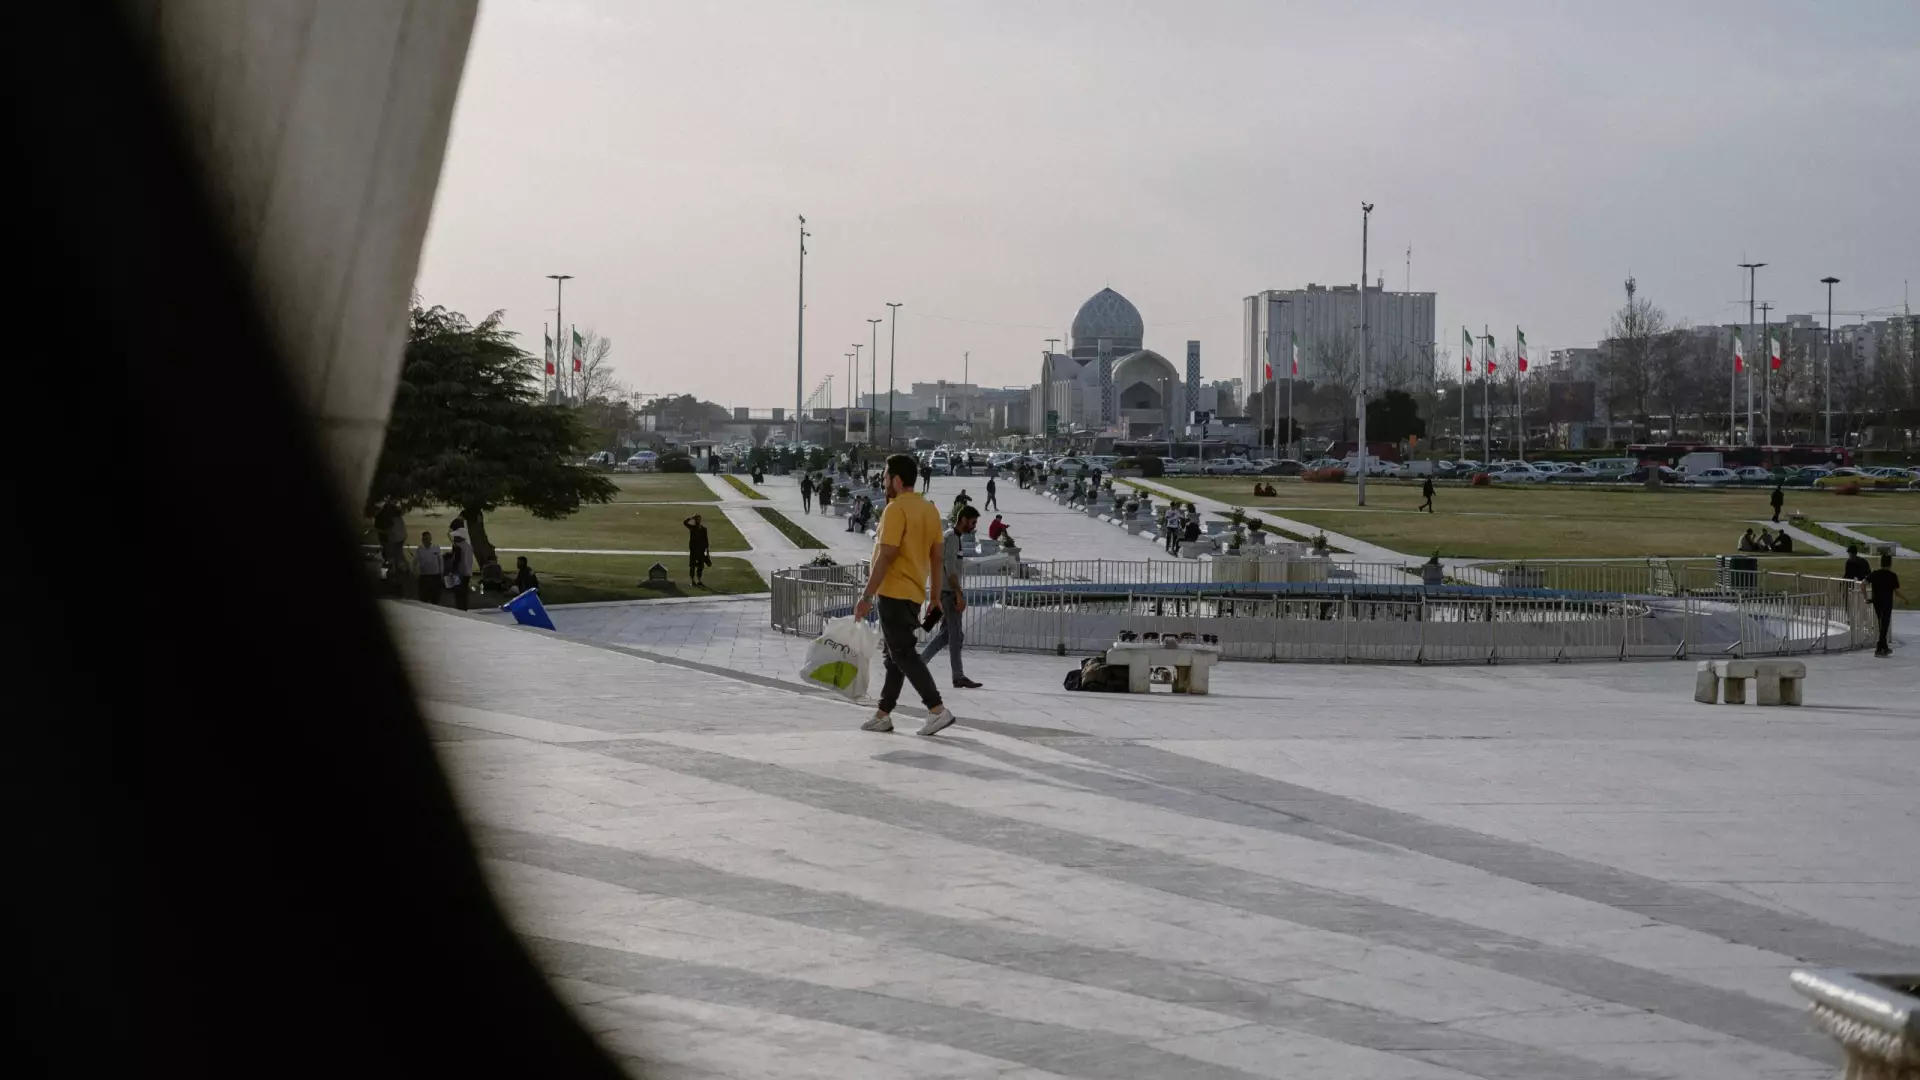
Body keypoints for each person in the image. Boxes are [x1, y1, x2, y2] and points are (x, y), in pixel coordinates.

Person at [853, 453, 959, 736]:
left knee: (903, 653)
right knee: (894, 656)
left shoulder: (895, 509)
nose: (883, 481)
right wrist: (934, 597)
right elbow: (937, 557)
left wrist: (866, 597)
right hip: (914, 593)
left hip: (893, 592)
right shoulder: (929, 510)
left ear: (897, 480)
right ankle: (883, 714)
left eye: (886, 477)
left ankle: (936, 709)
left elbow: (887, 554)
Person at [921, 505, 984, 689]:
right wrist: (958, 593)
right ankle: (958, 676)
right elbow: (949, 567)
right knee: (956, 636)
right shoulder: (952, 538)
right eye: (972, 522)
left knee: (946, 635)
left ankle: (919, 663)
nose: (974, 526)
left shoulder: (953, 537)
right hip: (949, 593)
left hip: (947, 592)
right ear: (963, 519)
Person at [1865, 552, 1903, 657]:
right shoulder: (1892, 576)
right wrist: (1905, 599)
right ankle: (1879, 649)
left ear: (1881, 563)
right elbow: (1897, 592)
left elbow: (1862, 585)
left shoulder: (1875, 574)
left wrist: (1866, 598)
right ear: (1890, 563)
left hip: (1876, 601)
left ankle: (1885, 648)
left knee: (1882, 624)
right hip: (1887, 602)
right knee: (1884, 625)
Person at [445, 526, 474, 612]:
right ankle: (464, 609)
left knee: (458, 594)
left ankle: (460, 610)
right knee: (464, 594)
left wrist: (451, 573)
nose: (454, 538)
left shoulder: (458, 547)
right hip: (467, 573)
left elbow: (456, 562)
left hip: (459, 573)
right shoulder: (468, 546)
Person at [413, 531, 444, 605]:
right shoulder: (419, 549)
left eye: (427, 539)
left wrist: (441, 572)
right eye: (424, 539)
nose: (426, 541)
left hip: (435, 576)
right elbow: (414, 562)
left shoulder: (436, 547)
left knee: (435, 598)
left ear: (430, 539)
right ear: (422, 540)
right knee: (423, 598)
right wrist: (416, 573)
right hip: (424, 576)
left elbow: (440, 560)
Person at [683, 513, 711, 586]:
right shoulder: (692, 527)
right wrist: (691, 517)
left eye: (698, 519)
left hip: (701, 550)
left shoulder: (704, 529)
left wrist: (707, 550)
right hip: (693, 550)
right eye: (696, 519)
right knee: (692, 565)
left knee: (700, 566)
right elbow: (684, 522)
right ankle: (692, 580)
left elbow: (706, 540)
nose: (698, 520)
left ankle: (699, 580)